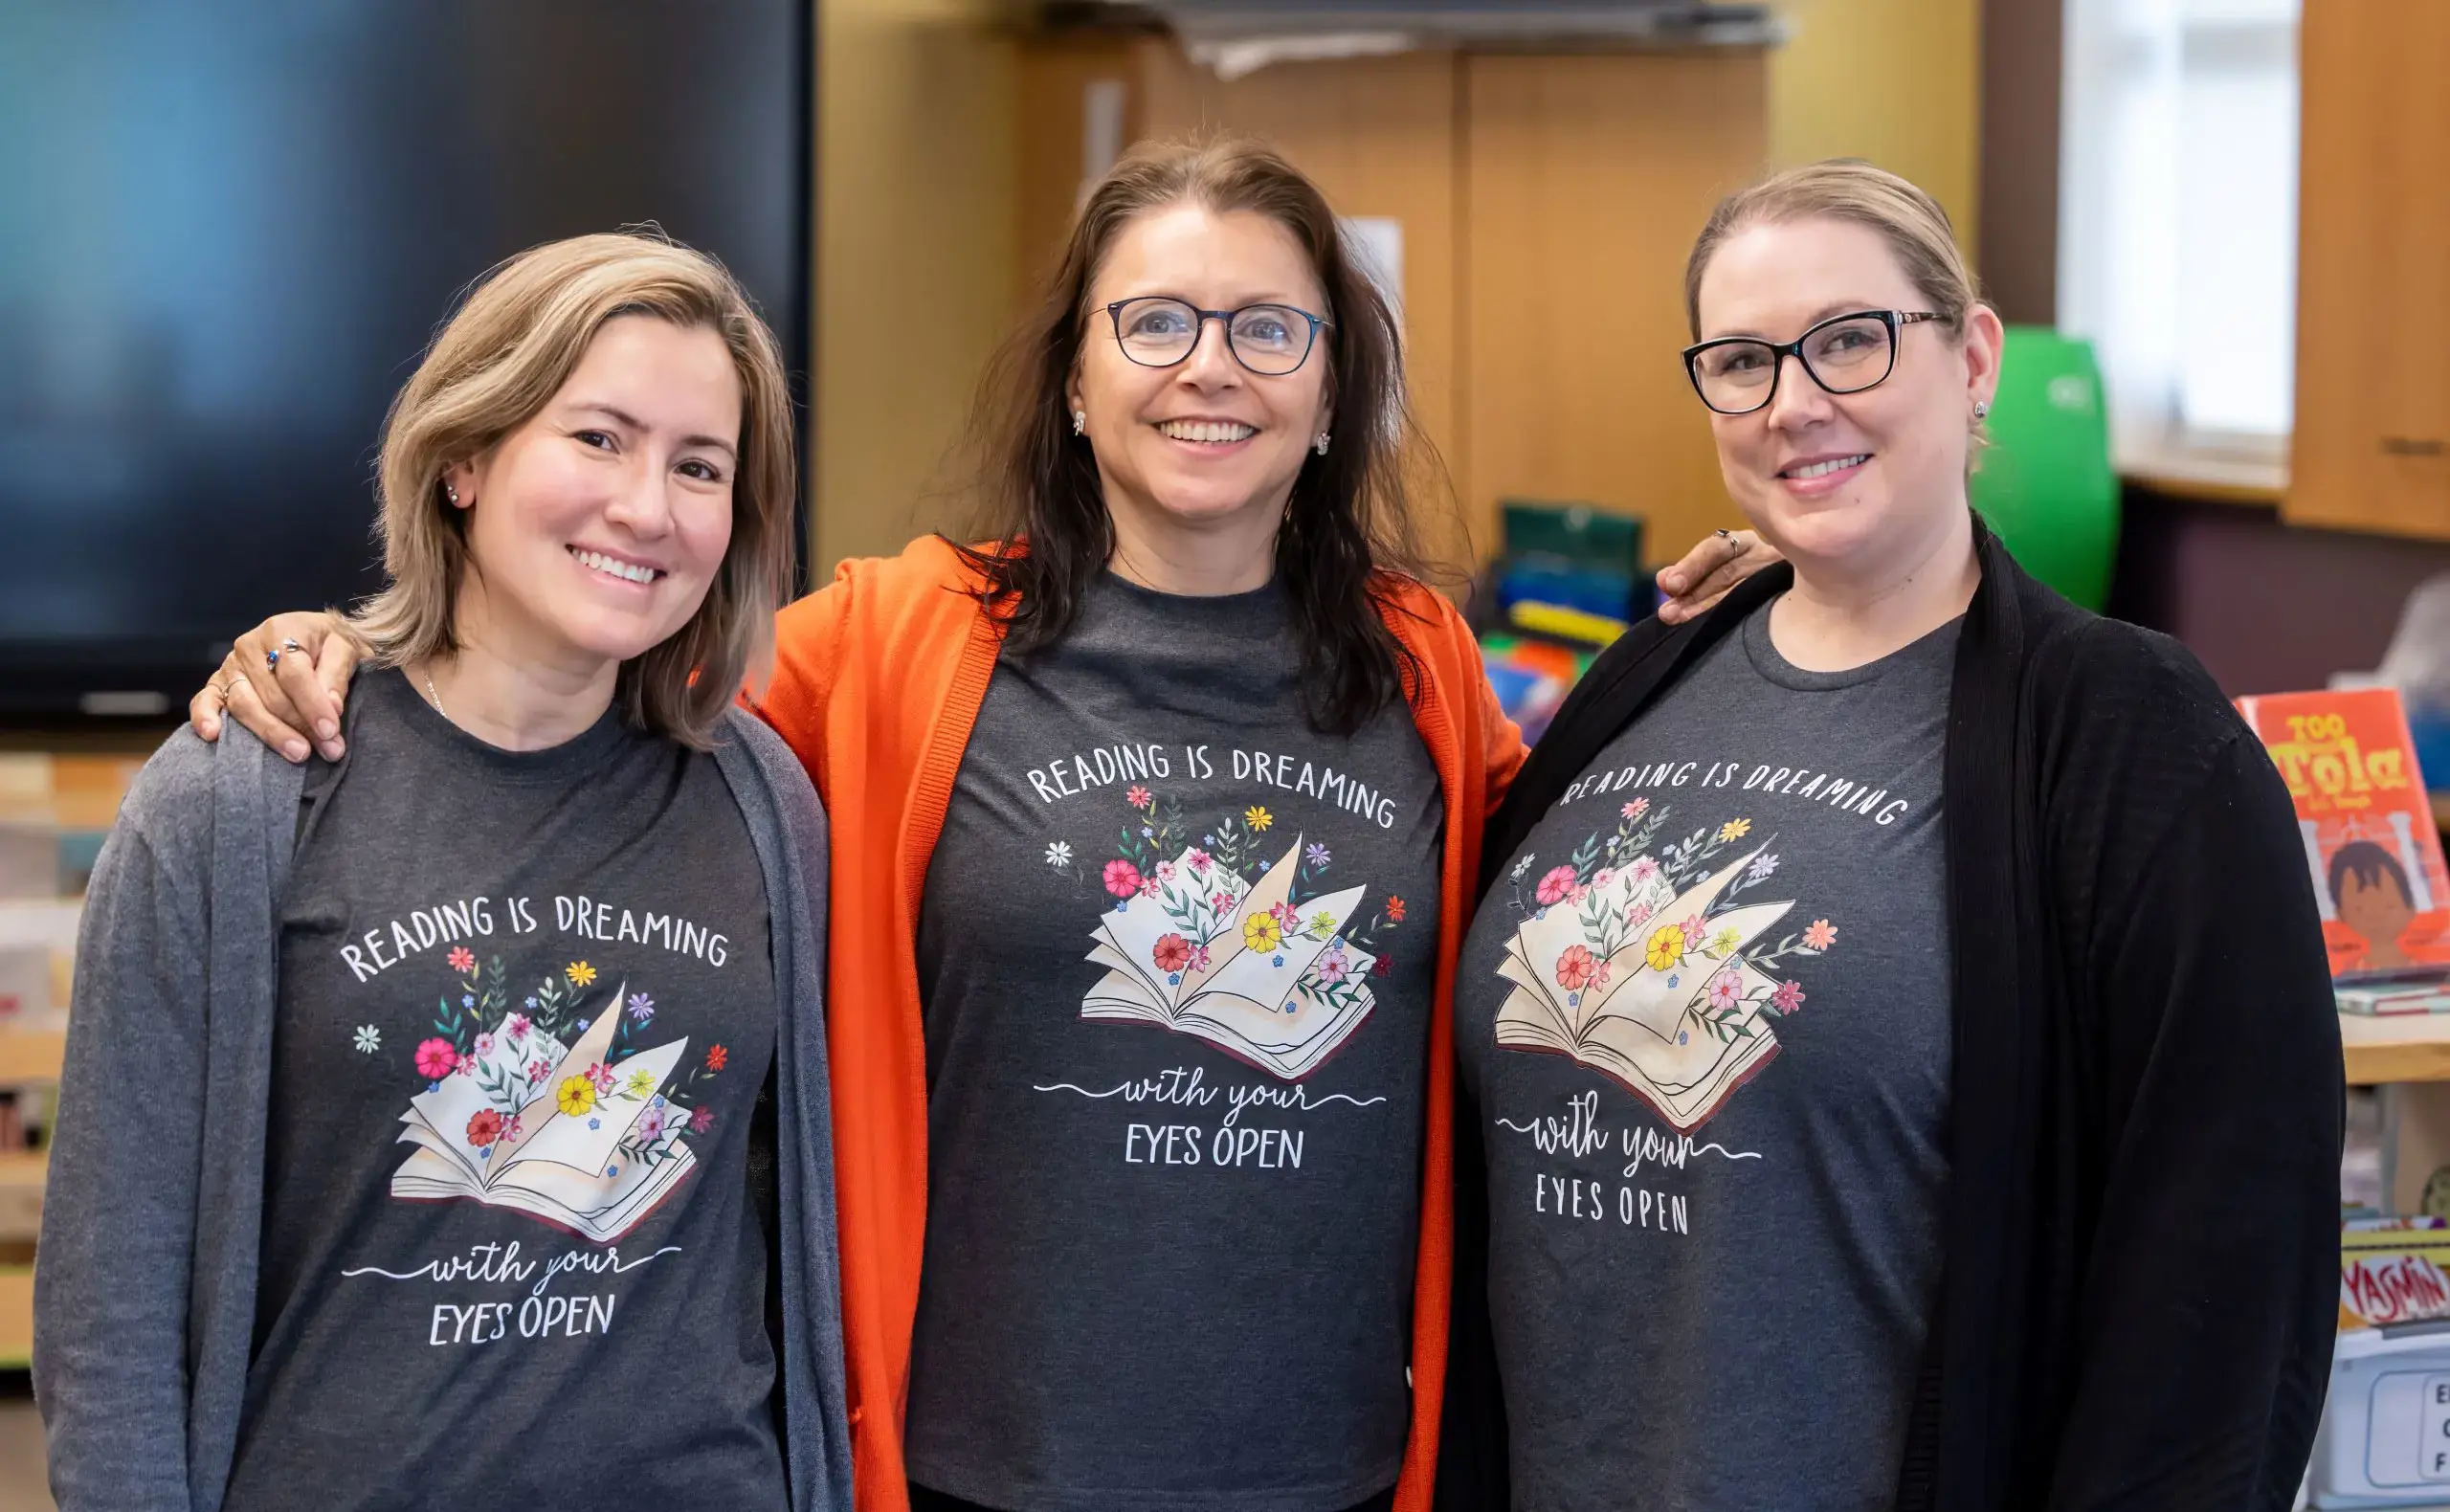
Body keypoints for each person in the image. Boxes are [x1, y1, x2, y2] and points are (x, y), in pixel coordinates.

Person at [185, 138, 1531, 1512]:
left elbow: (1568, 867)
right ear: (1076, 380)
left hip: (1342, 1473)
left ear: (1330, 392)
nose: (1212, 366)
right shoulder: (901, 640)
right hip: (966, 1471)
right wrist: (346, 644)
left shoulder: (1423, 665)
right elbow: (577, 671)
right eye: (1157, 322)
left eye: (1269, 328)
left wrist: (1741, 602)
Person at [1439, 160, 2342, 1511]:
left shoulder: (2132, 740)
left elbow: (2229, 1272)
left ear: (1972, 357)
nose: (1796, 402)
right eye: (1742, 361)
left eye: (1851, 341)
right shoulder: (1643, 679)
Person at [39, 233, 854, 1511]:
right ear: (465, 458)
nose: (646, 506)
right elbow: (111, 1311)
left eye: (700, 466)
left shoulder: (761, 801)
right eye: (597, 438)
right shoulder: (235, 797)